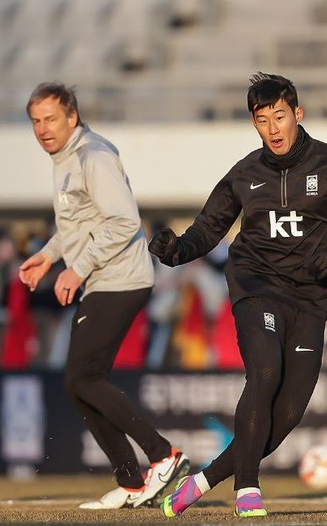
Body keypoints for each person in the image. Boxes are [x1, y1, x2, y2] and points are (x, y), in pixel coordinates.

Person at [149, 72, 327, 518]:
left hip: (312, 298)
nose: (273, 129)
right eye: (262, 121)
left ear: (297, 114)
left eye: (280, 117)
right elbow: (208, 229)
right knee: (264, 372)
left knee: (288, 413)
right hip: (256, 284)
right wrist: (177, 250)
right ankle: (247, 489)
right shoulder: (244, 173)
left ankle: (203, 481)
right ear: (255, 124)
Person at [19, 83, 189, 509]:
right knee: (78, 383)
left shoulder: (93, 156)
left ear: (72, 117)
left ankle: (163, 455)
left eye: (51, 119)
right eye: (36, 121)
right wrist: (47, 255)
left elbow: (123, 222)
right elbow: (79, 224)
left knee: (83, 378)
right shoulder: (66, 158)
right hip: (104, 278)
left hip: (122, 278)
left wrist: (76, 268)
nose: (43, 128)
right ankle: (132, 481)